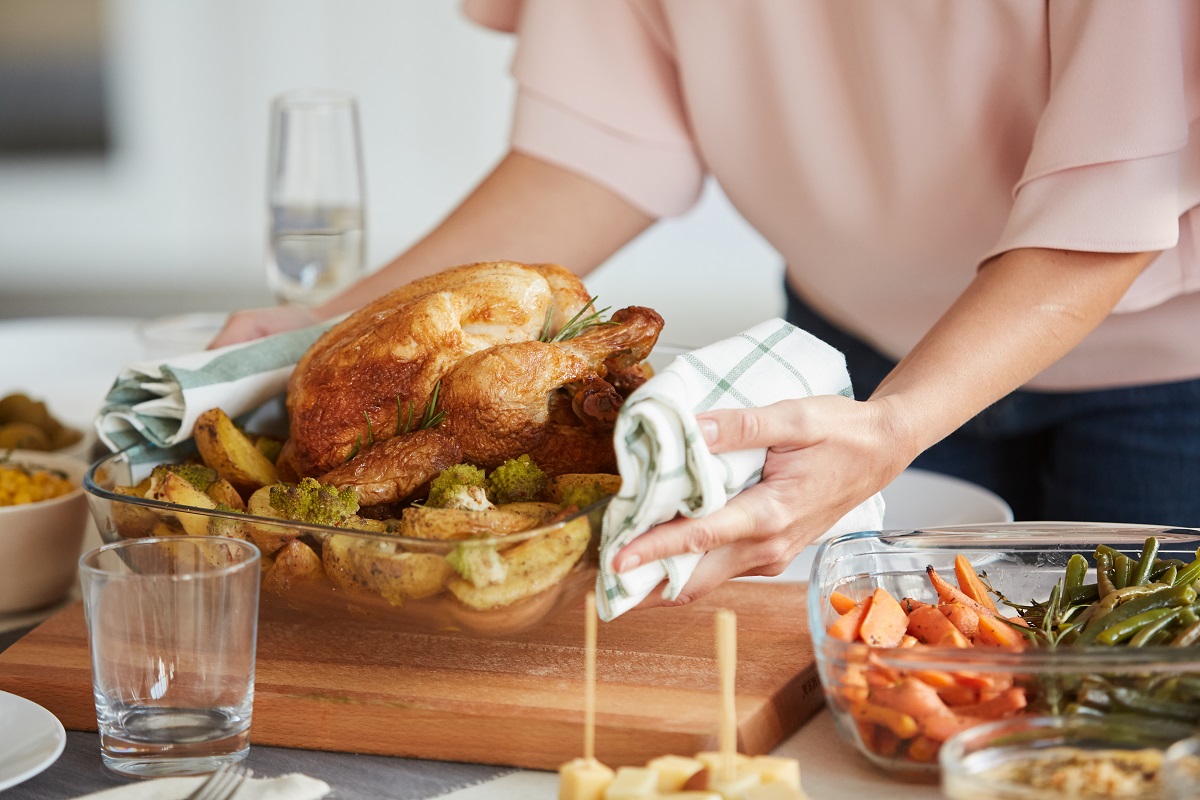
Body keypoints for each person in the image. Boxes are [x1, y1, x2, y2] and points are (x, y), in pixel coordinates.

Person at [213, 1, 1200, 606]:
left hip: (1165, 382)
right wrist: (338, 323)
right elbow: (592, 151)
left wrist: (899, 421)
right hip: (840, 366)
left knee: (1122, 727)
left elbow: (1116, 190)